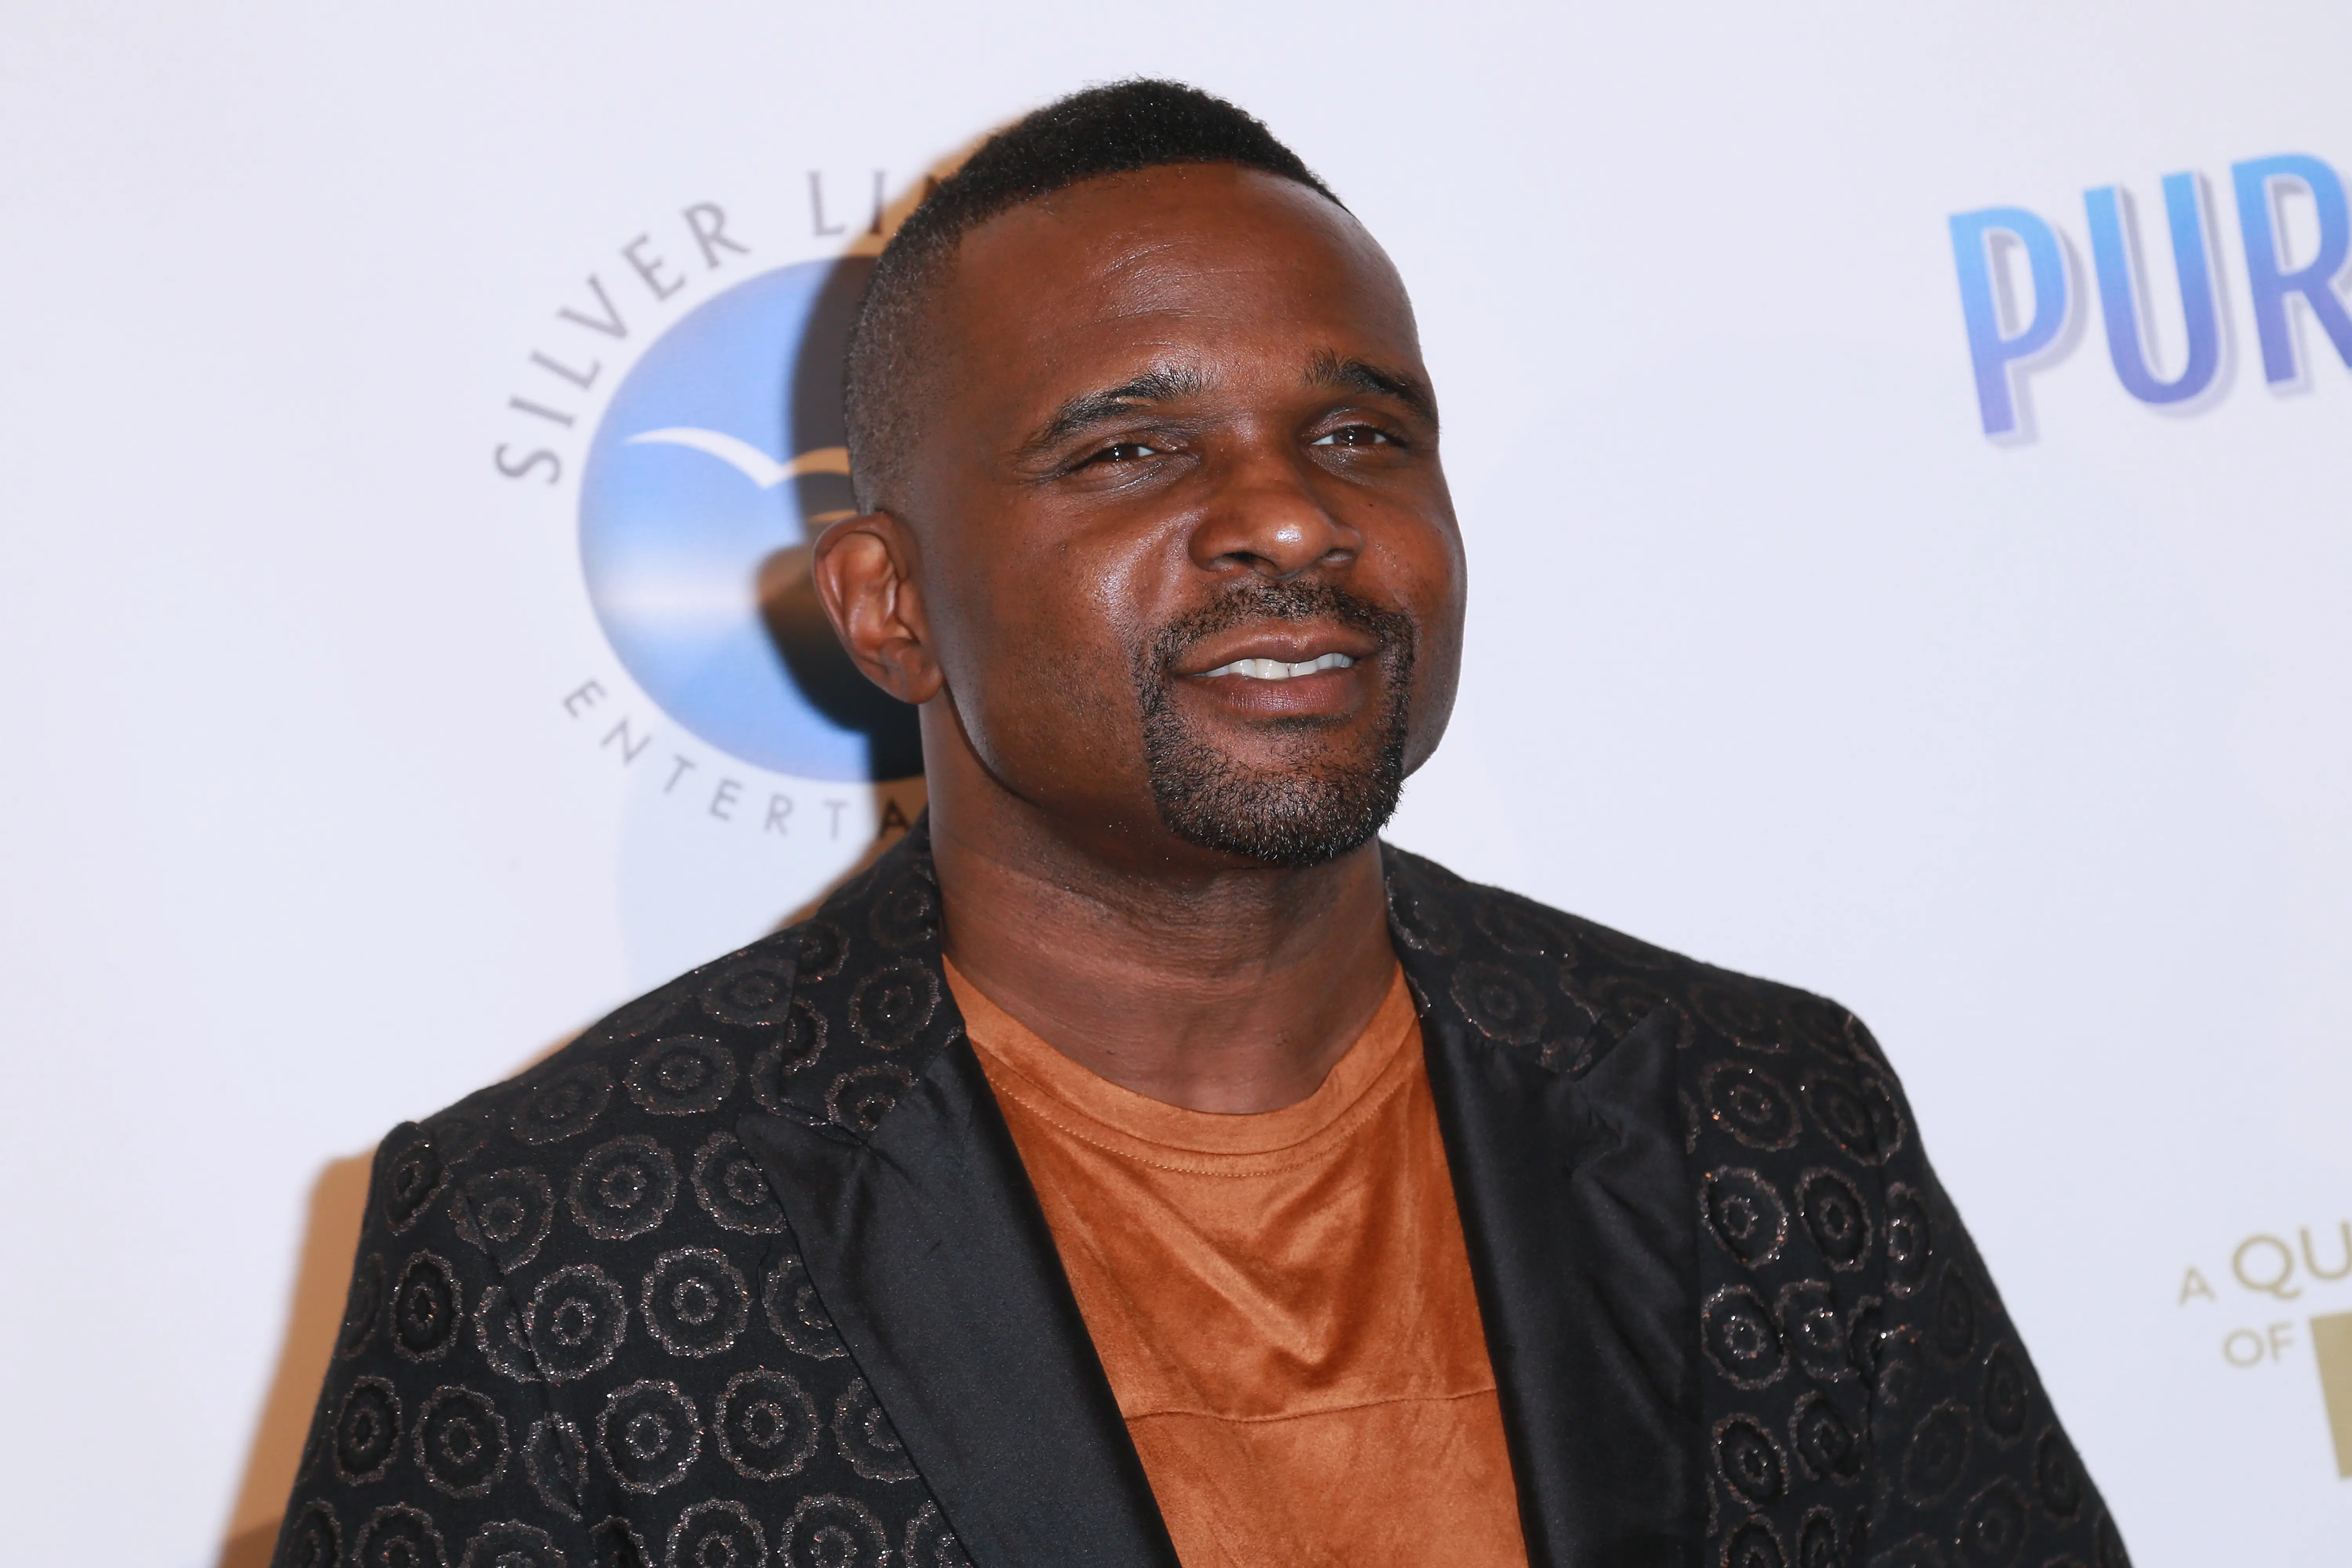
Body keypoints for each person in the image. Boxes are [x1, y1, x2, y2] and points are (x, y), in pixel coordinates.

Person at [275, 80, 2125, 1568]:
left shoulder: (1761, 1116)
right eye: (1133, 452)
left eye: (1362, 436)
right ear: (886, 603)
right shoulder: (559, 1247)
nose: (1297, 522)